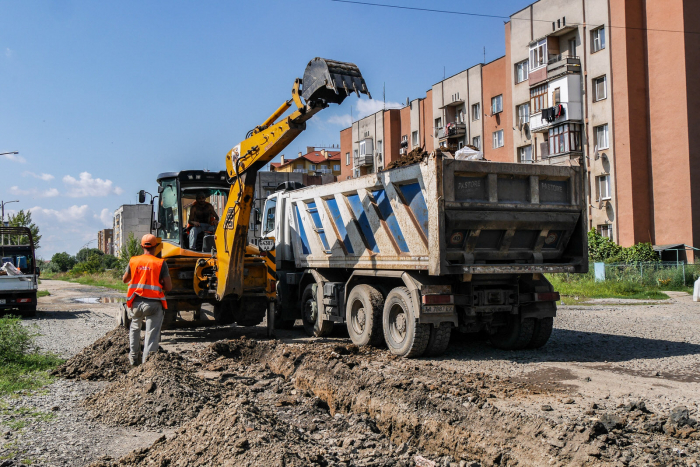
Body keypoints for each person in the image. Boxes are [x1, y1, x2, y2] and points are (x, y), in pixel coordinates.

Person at [122, 234, 172, 365]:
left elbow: (125, 279)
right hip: (154, 304)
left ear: (141, 246)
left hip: (136, 302)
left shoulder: (133, 261)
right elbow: (169, 287)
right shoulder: (161, 263)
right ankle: (147, 364)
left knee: (135, 328)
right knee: (151, 334)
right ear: (156, 246)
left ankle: (133, 358)